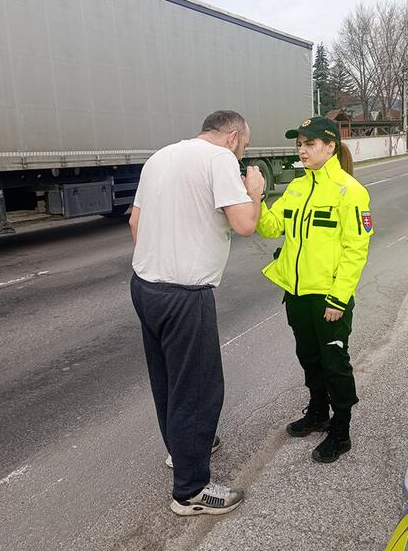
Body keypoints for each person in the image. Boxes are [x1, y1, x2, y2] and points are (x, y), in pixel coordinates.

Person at [128, 110, 265, 516]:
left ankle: (182, 450)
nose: (243, 153)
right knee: (198, 388)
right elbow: (245, 224)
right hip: (185, 295)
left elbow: (135, 222)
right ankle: (190, 491)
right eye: (244, 146)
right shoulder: (220, 159)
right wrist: (255, 191)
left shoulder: (160, 157)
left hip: (145, 286)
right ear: (233, 137)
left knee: (168, 380)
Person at [256, 116, 373, 463]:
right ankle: (319, 412)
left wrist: (338, 298)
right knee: (309, 358)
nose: (302, 150)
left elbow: (356, 250)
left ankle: (341, 430)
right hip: (297, 294)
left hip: (329, 298)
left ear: (330, 146)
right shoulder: (296, 188)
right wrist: (256, 197)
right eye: (299, 144)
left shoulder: (349, 191)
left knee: (334, 364)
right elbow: (270, 227)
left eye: (309, 144)